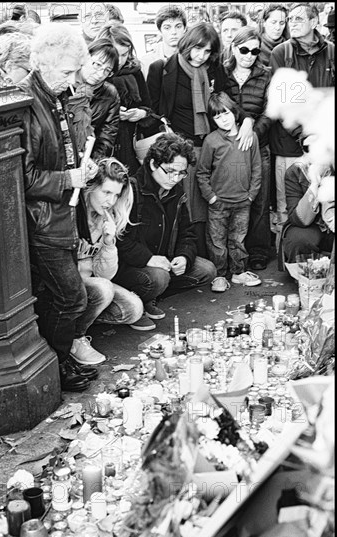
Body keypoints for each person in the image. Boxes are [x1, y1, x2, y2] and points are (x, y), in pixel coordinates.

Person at [17, 23, 101, 392]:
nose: (72, 79)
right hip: (43, 220)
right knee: (71, 297)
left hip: (62, 216)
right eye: (66, 71)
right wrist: (70, 179)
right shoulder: (26, 102)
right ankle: (56, 361)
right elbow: (24, 177)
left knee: (62, 296)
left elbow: (69, 149)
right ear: (42, 63)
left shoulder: (58, 95)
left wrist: (85, 169)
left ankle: (58, 360)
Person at [147, 22, 254, 257]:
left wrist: (247, 120)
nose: (201, 56)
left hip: (212, 145)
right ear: (187, 44)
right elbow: (153, 112)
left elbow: (226, 104)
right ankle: (181, 256)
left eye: (207, 51)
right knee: (184, 204)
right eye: (197, 48)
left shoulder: (214, 70)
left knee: (210, 205)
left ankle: (208, 259)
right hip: (180, 149)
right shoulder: (161, 69)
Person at [113, 132, 217, 331]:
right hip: (131, 268)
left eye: (182, 173)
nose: (175, 178)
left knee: (207, 270)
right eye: (170, 171)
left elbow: (188, 233)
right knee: (159, 277)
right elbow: (120, 240)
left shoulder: (176, 191)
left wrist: (184, 256)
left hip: (164, 262)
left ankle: (152, 295)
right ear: (153, 164)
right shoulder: (132, 190)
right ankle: (138, 303)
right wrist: (148, 259)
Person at [269, 2, 335, 251]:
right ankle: (289, 260)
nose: (292, 23)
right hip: (292, 142)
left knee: (328, 196)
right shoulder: (281, 53)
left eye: (298, 18)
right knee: (293, 207)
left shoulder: (331, 52)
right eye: (290, 19)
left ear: (314, 22)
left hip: (328, 139)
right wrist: (306, 137)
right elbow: (286, 103)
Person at [71, 158, 144, 364]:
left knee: (133, 309)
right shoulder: (72, 214)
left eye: (116, 194)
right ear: (90, 188)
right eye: (106, 192)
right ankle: (74, 338)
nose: (111, 201)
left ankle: (86, 319)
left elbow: (106, 275)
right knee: (103, 289)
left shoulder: (107, 218)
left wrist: (109, 243)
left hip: (91, 285)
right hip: (69, 287)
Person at [196, 92, 262, 291]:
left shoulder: (250, 136)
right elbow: (202, 172)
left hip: (243, 201)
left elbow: (257, 168)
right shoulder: (211, 141)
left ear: (234, 112)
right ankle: (219, 275)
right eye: (217, 116)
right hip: (219, 202)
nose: (223, 119)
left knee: (238, 239)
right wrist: (211, 197)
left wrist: (252, 194)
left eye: (225, 113)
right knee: (217, 241)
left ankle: (239, 272)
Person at [224, 26, 273, 271]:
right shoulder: (221, 72)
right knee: (229, 199)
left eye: (255, 51)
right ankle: (229, 252)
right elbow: (217, 104)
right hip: (229, 146)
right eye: (244, 49)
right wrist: (243, 120)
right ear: (234, 47)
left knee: (259, 200)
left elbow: (270, 110)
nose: (249, 55)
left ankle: (258, 251)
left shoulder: (266, 74)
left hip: (258, 146)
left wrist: (253, 130)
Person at [96, 23, 152, 176]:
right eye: (116, 54)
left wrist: (140, 113)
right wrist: (111, 112)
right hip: (104, 145)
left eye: (124, 54)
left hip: (130, 144)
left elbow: (148, 107)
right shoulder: (96, 73)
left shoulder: (135, 72)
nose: (120, 60)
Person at [281, 137, 334, 263]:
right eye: (307, 148)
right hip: (310, 224)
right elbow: (297, 218)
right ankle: (308, 278)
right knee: (298, 240)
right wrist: (314, 186)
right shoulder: (295, 171)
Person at [67, 38, 120, 160]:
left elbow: (107, 136)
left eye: (107, 71)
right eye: (97, 65)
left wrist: (92, 161)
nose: (100, 74)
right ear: (85, 57)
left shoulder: (109, 94)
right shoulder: (64, 84)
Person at [140, 5, 187, 78]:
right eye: (167, 28)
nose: (173, 32)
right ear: (160, 31)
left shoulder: (192, 59)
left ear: (184, 29)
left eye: (178, 27)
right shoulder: (146, 63)